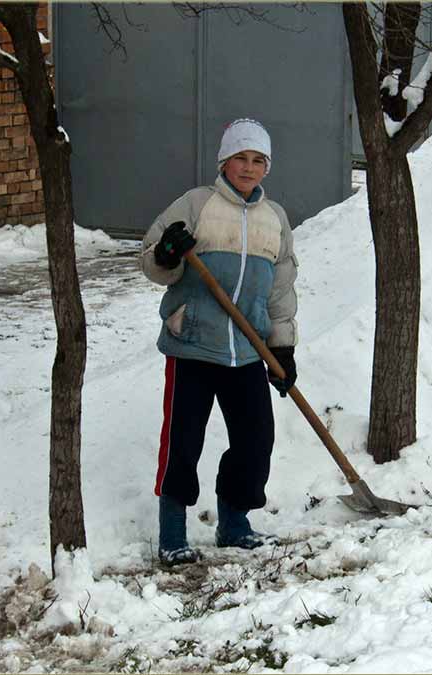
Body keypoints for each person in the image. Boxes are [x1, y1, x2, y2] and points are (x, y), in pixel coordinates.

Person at [140, 118, 298, 566]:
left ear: (267, 167)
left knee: (255, 440)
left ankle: (234, 524)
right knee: (182, 442)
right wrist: (168, 254)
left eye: (258, 160)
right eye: (240, 158)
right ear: (223, 162)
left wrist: (281, 347)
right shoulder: (195, 205)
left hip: (248, 350)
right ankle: (172, 535)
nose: (248, 168)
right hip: (193, 344)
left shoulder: (275, 219)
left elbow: (281, 287)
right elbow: (153, 260)